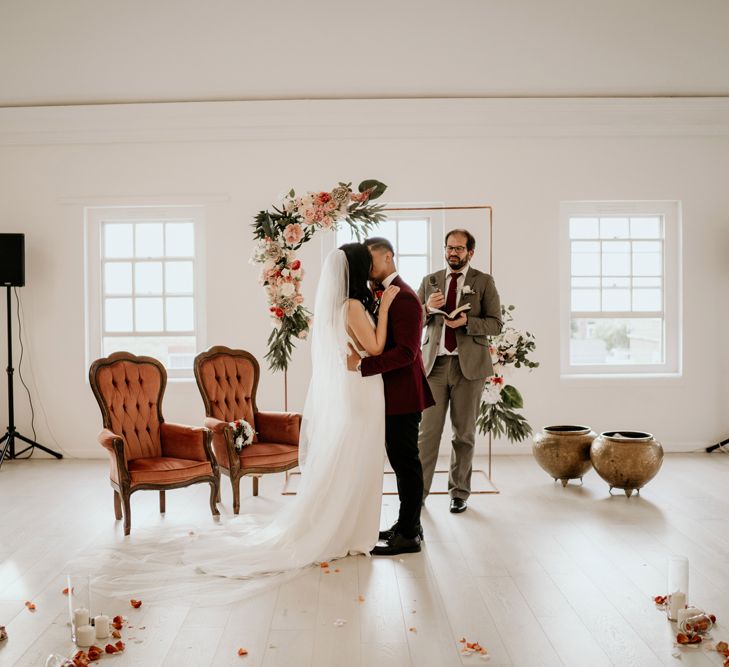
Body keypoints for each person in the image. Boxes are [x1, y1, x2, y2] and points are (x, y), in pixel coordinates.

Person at [77, 244, 400, 603]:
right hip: (360, 393)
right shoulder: (352, 306)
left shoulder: (344, 306)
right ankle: (349, 532)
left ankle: (350, 528)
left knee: (354, 461)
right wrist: (385, 309)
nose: (374, 267)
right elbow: (374, 346)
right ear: (357, 269)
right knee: (357, 460)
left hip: (358, 391)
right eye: (368, 263)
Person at [347, 237, 435, 556]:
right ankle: (407, 523)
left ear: (388, 256)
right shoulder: (384, 295)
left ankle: (409, 534)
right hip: (391, 395)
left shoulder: (407, 298)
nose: (368, 269)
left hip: (404, 396)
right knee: (401, 463)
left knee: (406, 463)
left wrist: (364, 364)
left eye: (372, 262)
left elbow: (408, 353)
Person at [417, 229, 502, 513]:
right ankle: (418, 493)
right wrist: (427, 309)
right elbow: (412, 320)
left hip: (469, 369)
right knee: (427, 435)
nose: (453, 253)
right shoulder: (430, 281)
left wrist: (467, 322)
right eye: (450, 248)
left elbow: (496, 324)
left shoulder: (484, 281)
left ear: (470, 252)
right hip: (434, 367)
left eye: (459, 249)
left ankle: (459, 493)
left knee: (463, 435)